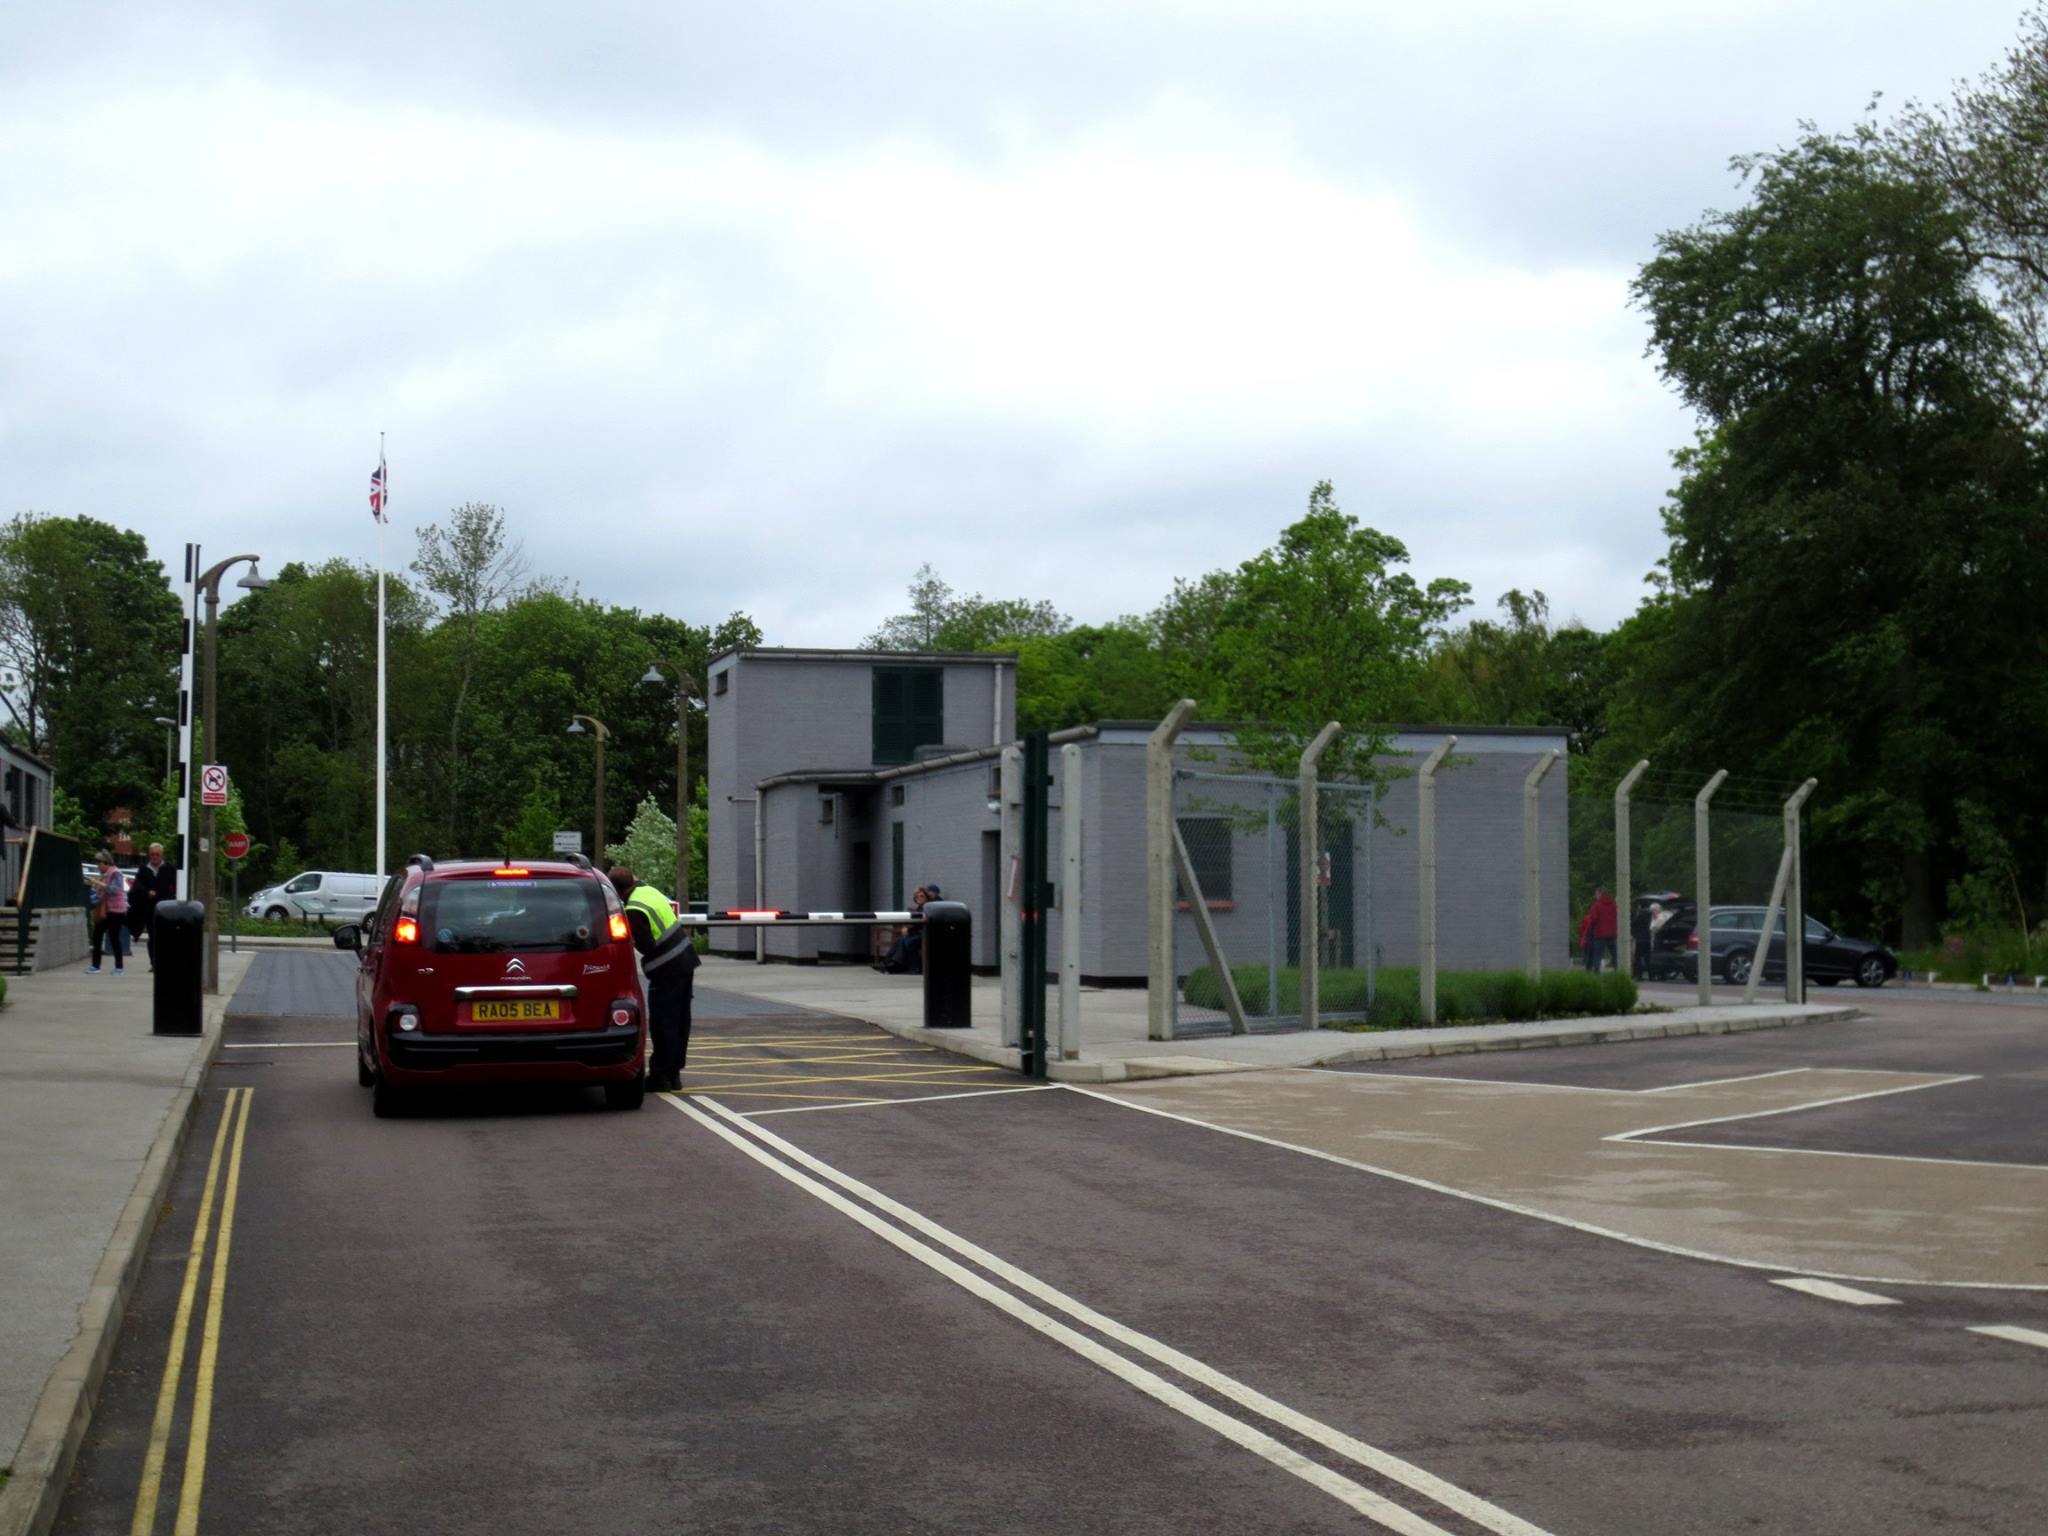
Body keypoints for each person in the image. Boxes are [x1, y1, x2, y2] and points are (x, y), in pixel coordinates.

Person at [609, 865, 698, 1093]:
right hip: (685, 961)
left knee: (663, 1023)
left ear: (618, 891)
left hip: (667, 968)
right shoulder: (648, 891)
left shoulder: (634, 910)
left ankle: (661, 1076)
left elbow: (647, 945)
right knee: (679, 1021)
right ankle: (674, 1074)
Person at [129, 842, 177, 970]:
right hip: (150, 908)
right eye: (152, 854)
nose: (155, 857)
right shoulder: (144, 869)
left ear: (162, 855)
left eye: (157, 854)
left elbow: (175, 887)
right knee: (153, 936)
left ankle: (165, 961)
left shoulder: (170, 868)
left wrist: (171, 899)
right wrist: (147, 892)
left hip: (166, 908)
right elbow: (137, 886)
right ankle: (154, 963)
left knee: (165, 936)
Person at [873, 884, 933, 974]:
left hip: (927, 934)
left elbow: (922, 922)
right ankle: (889, 963)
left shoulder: (929, 906)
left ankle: (914, 968)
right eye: (917, 896)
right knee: (900, 940)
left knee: (909, 942)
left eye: (922, 896)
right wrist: (906, 927)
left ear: (926, 897)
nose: (919, 898)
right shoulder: (919, 908)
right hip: (918, 933)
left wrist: (908, 929)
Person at [87, 850, 129, 974]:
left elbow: (114, 890)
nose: (97, 866)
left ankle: (119, 967)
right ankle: (95, 965)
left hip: (116, 910)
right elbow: (100, 895)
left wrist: (99, 883)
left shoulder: (116, 873)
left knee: (114, 938)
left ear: (106, 863)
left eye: (99, 864)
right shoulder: (105, 875)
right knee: (97, 935)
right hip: (106, 910)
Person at [1578, 887, 1618, 973]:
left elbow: (1593, 919)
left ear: (1600, 894)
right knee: (1615, 954)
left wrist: (1591, 928)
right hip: (1612, 934)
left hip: (1599, 934)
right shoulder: (1613, 905)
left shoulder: (1597, 905)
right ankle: (1618, 971)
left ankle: (1596, 972)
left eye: (1596, 894)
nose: (1595, 896)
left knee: (1598, 955)